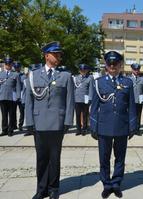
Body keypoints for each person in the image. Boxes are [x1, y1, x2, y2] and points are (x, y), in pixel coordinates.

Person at [25, 41, 74, 199]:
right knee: (41, 158)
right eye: (56, 54)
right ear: (47, 56)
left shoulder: (65, 76)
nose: (59, 56)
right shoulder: (33, 75)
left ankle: (53, 188)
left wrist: (68, 121)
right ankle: (41, 189)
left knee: (54, 158)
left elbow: (70, 101)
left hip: (57, 123)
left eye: (59, 54)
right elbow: (28, 101)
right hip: (39, 123)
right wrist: (29, 122)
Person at [90, 51, 137, 198]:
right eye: (110, 64)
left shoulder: (128, 83)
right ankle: (106, 183)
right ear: (106, 65)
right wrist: (93, 126)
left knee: (120, 157)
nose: (112, 67)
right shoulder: (99, 83)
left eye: (115, 64)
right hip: (104, 126)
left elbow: (132, 106)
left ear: (120, 65)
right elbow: (94, 106)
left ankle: (116, 183)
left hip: (122, 126)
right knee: (104, 157)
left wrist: (132, 125)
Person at [0, 57, 21, 137]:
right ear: (4, 65)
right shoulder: (1, 74)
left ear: (12, 65)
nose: (8, 65)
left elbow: (18, 86)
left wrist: (18, 96)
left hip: (12, 97)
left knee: (11, 114)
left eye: (9, 64)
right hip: (2, 97)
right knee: (4, 114)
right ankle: (4, 130)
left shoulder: (15, 74)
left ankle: (10, 130)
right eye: (6, 64)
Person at [73, 63, 93, 136]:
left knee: (85, 115)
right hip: (77, 99)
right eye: (81, 70)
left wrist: (90, 99)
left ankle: (84, 129)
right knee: (77, 115)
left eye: (84, 70)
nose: (83, 71)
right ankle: (78, 129)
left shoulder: (90, 78)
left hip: (85, 99)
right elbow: (74, 89)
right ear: (79, 71)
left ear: (87, 70)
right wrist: (73, 98)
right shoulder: (76, 78)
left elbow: (91, 89)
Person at [128, 63, 143, 133]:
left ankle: (137, 129)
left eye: (137, 69)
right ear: (132, 70)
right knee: (131, 114)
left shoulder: (142, 79)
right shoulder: (128, 79)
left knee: (138, 115)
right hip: (131, 100)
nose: (136, 71)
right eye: (135, 69)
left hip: (139, 100)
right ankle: (131, 128)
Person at [13, 61, 26, 131]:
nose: (16, 68)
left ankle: (20, 125)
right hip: (13, 95)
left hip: (21, 95)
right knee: (13, 111)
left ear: (20, 67)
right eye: (15, 67)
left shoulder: (23, 75)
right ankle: (14, 125)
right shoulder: (12, 75)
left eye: (18, 67)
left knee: (22, 112)